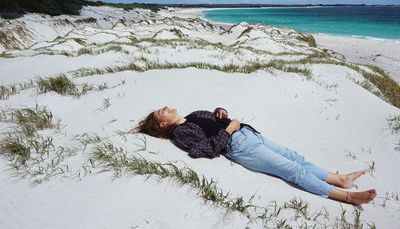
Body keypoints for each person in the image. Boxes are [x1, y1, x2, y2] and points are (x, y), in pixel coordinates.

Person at [133, 106, 377, 205]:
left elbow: (217, 117)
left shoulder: (194, 113)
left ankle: (339, 179)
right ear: (162, 125)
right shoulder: (179, 134)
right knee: (293, 171)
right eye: (159, 113)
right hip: (241, 148)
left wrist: (221, 112)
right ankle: (346, 197)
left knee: (297, 159)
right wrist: (229, 130)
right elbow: (205, 150)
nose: (164, 108)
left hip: (250, 134)